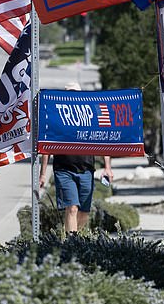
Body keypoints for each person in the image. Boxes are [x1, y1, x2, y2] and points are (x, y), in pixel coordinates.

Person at [39, 82, 113, 233]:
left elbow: (103, 140)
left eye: (75, 93)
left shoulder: (90, 117)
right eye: (69, 93)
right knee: (72, 208)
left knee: (84, 211)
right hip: (64, 170)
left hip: (86, 170)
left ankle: (78, 239)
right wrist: (42, 174)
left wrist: (107, 167)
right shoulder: (57, 119)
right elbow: (46, 147)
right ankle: (71, 243)